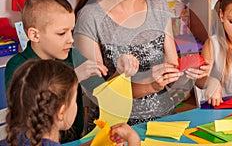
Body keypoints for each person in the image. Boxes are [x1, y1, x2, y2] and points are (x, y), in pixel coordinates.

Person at [73, 0, 186, 126]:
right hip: (115, 128)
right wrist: (148, 84)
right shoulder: (91, 16)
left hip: (165, 124)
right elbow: (96, 93)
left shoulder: (159, 6)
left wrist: (191, 73)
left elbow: (174, 73)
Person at [4, 0, 107, 142]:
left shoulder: (72, 55)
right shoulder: (19, 66)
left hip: (75, 140)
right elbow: (30, 112)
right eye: (61, 33)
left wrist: (120, 72)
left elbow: (101, 90)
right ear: (34, 35)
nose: (71, 39)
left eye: (71, 31)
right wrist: (74, 77)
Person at [0, 59, 140, 146]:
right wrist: (134, 140)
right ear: (61, 111)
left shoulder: (19, 137)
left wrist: (93, 143)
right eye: (74, 100)